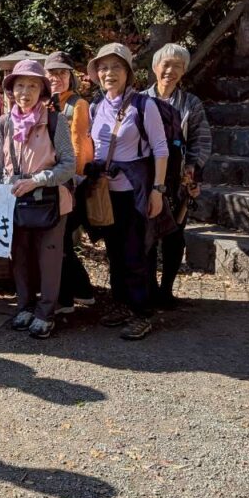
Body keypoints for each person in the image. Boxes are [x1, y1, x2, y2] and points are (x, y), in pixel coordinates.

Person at [84, 43, 169, 340]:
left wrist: (158, 189)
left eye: (116, 67)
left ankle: (142, 312)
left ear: (128, 72)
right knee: (115, 252)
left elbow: (160, 148)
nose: (109, 73)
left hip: (134, 191)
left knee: (136, 253)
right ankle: (121, 303)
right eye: (103, 68)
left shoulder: (144, 105)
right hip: (106, 192)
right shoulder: (96, 106)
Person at [0, 60, 75, 339]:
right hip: (14, 201)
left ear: (43, 91)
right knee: (20, 256)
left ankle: (45, 312)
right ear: (11, 90)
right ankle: (25, 306)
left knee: (49, 258)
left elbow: (68, 166)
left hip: (50, 199)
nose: (25, 92)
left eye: (32, 85)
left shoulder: (54, 121)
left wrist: (36, 180)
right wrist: (1, 192)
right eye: (19, 85)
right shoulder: (3, 124)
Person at [144, 42, 212, 307]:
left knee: (174, 237)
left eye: (178, 66)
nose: (170, 71)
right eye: (166, 64)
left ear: (184, 72)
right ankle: (148, 289)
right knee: (147, 237)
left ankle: (166, 291)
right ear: (154, 67)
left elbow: (201, 140)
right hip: (146, 179)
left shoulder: (191, 104)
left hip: (178, 180)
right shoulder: (140, 100)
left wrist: (193, 171)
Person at [44, 51, 96, 312]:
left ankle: (67, 298)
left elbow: (78, 147)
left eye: (62, 73)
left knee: (60, 240)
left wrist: (68, 182)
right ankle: (82, 292)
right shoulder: (47, 103)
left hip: (71, 184)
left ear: (70, 77)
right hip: (53, 183)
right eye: (51, 73)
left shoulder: (77, 105)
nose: (56, 78)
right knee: (60, 241)